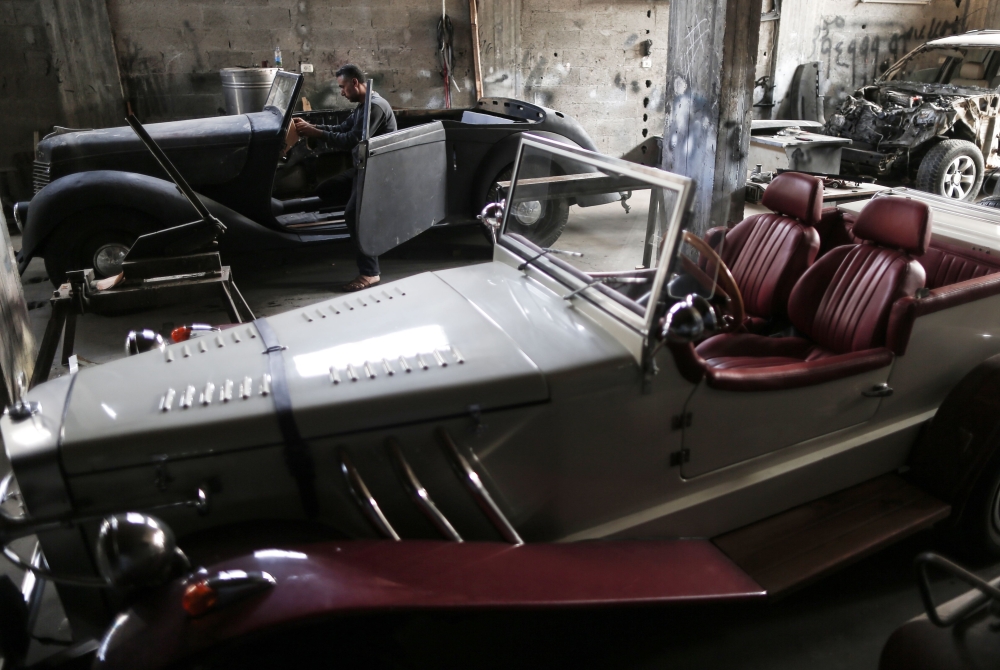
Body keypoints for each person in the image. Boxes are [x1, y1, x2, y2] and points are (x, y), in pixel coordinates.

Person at [292, 64, 397, 292]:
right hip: (363, 167)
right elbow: (342, 127)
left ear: (355, 83)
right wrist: (312, 127)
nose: (341, 92)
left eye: (342, 87)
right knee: (326, 189)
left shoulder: (375, 108)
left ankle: (370, 273)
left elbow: (350, 139)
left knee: (354, 215)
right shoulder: (362, 106)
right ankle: (361, 211)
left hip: (377, 171)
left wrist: (316, 133)